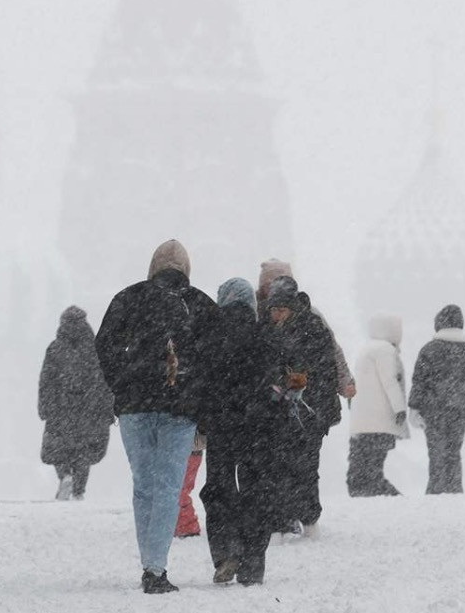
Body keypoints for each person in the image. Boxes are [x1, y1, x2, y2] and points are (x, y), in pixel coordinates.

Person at [95, 239, 214, 594]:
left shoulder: (128, 298)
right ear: (186, 270)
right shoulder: (199, 303)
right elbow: (217, 357)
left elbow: (104, 345)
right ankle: (155, 568)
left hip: (135, 406)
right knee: (168, 488)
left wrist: (123, 382)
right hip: (180, 409)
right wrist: (197, 393)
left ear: (152, 267)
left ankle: (149, 562)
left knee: (144, 486)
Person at [197, 278, 289, 586]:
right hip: (258, 425)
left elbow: (201, 381)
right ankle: (253, 562)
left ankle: (226, 551)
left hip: (222, 422)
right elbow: (280, 382)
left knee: (219, 487)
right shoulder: (266, 335)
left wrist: (203, 415)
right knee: (256, 490)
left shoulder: (210, 335)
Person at [263, 276, 341, 534]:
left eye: (281, 309)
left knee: (306, 467)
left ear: (292, 307)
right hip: (280, 411)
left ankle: (308, 519)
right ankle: (283, 519)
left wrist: (306, 389)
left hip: (309, 410)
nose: (276, 315)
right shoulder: (268, 328)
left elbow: (326, 370)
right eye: (273, 309)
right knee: (279, 466)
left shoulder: (313, 328)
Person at [37, 306, 114, 500]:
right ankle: (79, 491)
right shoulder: (95, 349)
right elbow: (105, 381)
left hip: (60, 407)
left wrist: (45, 407)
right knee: (83, 451)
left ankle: (65, 476)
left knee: (58, 448)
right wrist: (108, 409)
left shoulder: (55, 348)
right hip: (89, 408)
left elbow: (46, 381)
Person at [409, 304, 465, 494]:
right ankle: (454, 492)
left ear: (439, 324)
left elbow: (419, 381)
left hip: (434, 411)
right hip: (460, 412)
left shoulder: (429, 350)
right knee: (453, 453)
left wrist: (414, 407)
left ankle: (436, 493)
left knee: (437, 454)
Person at [347, 314, 408, 496]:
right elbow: (390, 381)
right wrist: (399, 408)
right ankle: (394, 500)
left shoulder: (366, 349)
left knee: (360, 470)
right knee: (372, 470)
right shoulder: (384, 350)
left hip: (363, 421)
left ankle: (366, 496)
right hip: (378, 420)